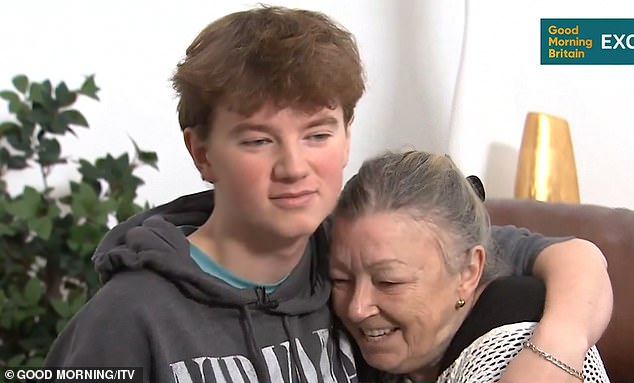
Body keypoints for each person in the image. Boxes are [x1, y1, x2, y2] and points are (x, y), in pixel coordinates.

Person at [44, 6, 612, 383]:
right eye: (258, 139)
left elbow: (574, 256)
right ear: (203, 153)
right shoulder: (127, 321)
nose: (294, 167)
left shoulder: (358, 248)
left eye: (317, 133)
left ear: (345, 139)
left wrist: (551, 355)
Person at [330, 150, 611, 383]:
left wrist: (554, 354)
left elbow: (580, 257)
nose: (358, 308)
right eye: (340, 279)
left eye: (389, 282)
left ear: (468, 272)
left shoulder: (507, 335)